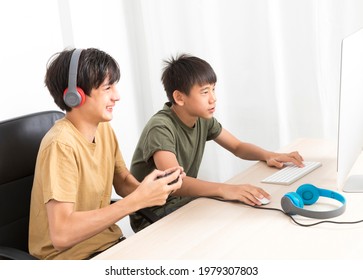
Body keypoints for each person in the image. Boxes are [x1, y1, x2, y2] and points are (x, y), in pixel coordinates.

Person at [28, 48, 184, 260]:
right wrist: (136, 201)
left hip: (110, 246)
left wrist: (152, 190)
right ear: (75, 96)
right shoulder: (60, 145)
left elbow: (122, 182)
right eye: (107, 87)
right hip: (73, 259)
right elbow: (62, 234)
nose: (117, 96)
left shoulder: (102, 129)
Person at [129, 53, 304, 232]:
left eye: (213, 89)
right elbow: (173, 182)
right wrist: (225, 189)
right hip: (154, 213)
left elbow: (237, 147)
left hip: (184, 203)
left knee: (242, 214)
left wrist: (269, 155)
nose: (213, 98)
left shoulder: (202, 119)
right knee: (232, 219)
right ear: (180, 98)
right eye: (205, 92)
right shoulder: (160, 127)